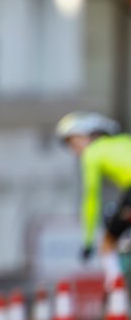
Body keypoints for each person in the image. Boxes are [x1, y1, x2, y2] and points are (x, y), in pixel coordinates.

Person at [55, 111, 131, 288]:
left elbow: (91, 197)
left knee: (107, 244)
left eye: (74, 143)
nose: (75, 152)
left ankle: (115, 295)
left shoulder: (92, 154)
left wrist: (88, 242)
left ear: (88, 136)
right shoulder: (124, 140)